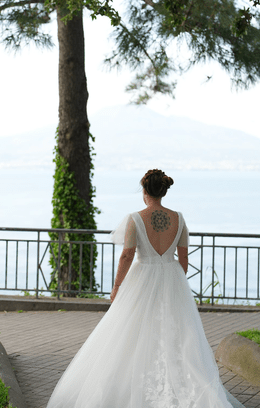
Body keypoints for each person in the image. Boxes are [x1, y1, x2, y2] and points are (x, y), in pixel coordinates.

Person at [45, 169, 245, 408]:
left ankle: (133, 385)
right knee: (175, 334)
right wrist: (175, 282)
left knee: (132, 333)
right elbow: (183, 260)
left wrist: (117, 286)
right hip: (171, 278)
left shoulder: (136, 218)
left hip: (142, 279)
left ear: (144, 190)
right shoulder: (179, 219)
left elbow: (127, 255)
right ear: (163, 191)